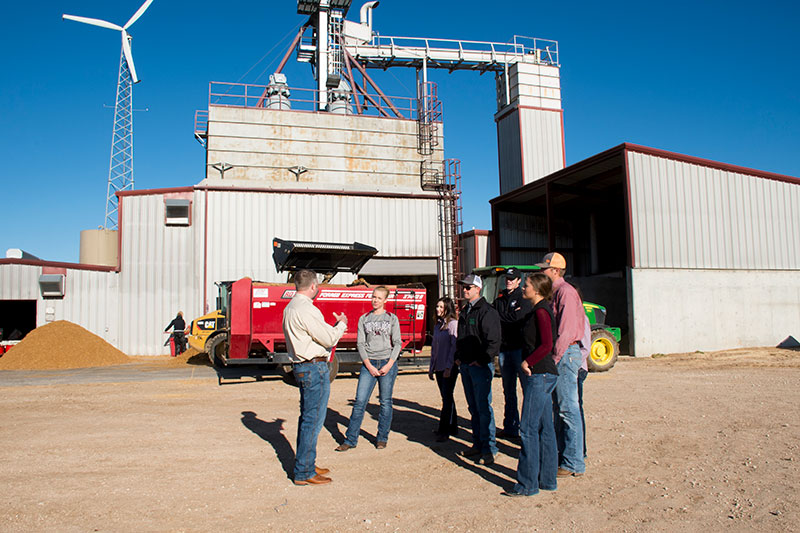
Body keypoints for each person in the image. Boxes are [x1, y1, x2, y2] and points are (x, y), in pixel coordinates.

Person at [282, 269, 348, 485]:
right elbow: (328, 338)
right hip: (313, 368)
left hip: (302, 368)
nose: (318, 288)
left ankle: (307, 463)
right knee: (313, 420)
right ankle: (304, 472)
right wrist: (342, 324)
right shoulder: (306, 309)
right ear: (312, 286)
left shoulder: (291, 307)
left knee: (307, 418)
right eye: (317, 284)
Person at [503, 273, 559, 497]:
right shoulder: (536, 310)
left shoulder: (542, 311)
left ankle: (527, 484)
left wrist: (528, 361)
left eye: (526, 285)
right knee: (545, 429)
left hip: (540, 374)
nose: (523, 288)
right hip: (543, 374)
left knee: (527, 429)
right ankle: (547, 480)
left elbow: (547, 344)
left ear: (536, 289)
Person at [536, 252, 586, 477]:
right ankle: (565, 457)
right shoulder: (554, 293)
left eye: (544, 270)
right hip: (563, 353)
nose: (541, 273)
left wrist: (554, 359)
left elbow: (565, 332)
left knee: (567, 409)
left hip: (565, 354)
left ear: (555, 271)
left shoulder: (565, 292)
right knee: (560, 409)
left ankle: (573, 462)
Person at [335, 286, 402, 452]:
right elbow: (360, 344)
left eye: (379, 298)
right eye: (373, 297)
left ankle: (382, 438)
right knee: (359, 402)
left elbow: (398, 343)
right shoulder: (363, 319)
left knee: (385, 402)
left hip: (387, 363)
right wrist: (368, 365)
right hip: (369, 364)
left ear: (385, 300)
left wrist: (389, 364)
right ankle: (350, 439)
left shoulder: (392, 319)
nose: (375, 300)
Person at [455, 274, 501, 465]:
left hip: (479, 367)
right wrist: (459, 357)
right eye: (463, 287)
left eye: (468, 287)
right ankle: (477, 444)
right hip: (466, 365)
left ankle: (489, 448)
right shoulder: (466, 311)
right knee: (473, 407)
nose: (464, 290)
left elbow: (494, 341)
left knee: (483, 408)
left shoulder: (486, 311)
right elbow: (461, 337)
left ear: (477, 289)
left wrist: (482, 360)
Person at [493, 267, 532, 439]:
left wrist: (502, 317)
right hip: (504, 350)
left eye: (512, 279)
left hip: (519, 349)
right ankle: (510, 426)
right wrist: (506, 317)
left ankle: (527, 428)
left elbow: (518, 319)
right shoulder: (499, 299)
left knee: (527, 390)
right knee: (508, 390)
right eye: (507, 278)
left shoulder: (523, 299)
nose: (509, 281)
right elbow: (495, 318)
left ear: (518, 281)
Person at [429, 297, 459, 442]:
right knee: (447, 397)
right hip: (438, 367)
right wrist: (431, 367)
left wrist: (449, 366)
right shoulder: (437, 326)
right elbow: (434, 349)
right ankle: (453, 426)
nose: (438, 309)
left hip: (449, 368)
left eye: (441, 307)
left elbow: (454, 348)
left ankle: (444, 430)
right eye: (437, 306)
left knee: (447, 399)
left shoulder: (453, 325)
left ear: (448, 308)